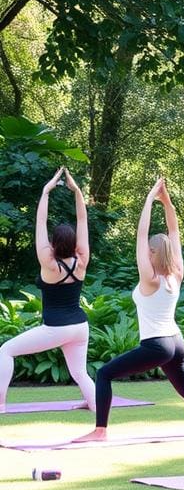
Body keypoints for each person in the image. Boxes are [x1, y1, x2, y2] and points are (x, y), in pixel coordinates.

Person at [73, 178, 184, 441]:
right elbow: (175, 233)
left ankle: (100, 431)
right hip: (176, 342)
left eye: (147, 251)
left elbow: (141, 234)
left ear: (151, 252)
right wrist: (167, 202)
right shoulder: (176, 274)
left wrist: (150, 200)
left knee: (104, 374)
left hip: (157, 345)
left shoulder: (149, 279)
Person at [0, 168, 96, 413]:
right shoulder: (82, 261)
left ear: (53, 243)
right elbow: (83, 220)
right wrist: (77, 192)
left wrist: (46, 191)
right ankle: (96, 406)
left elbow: (40, 222)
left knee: (5, 350)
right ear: (74, 244)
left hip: (56, 328)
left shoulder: (50, 264)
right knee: (80, 373)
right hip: (80, 327)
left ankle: (0, 403)